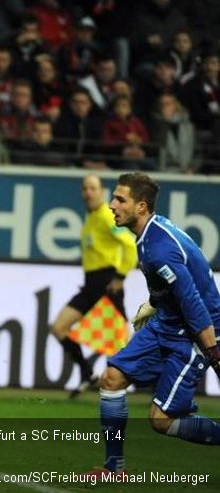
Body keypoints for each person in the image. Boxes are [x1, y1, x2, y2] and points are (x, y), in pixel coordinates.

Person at [87, 173, 220, 478]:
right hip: (168, 323)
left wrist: (212, 351)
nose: (112, 205)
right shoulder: (150, 234)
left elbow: (192, 301)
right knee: (111, 379)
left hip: (193, 332)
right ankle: (114, 468)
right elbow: (178, 287)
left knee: (160, 420)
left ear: (141, 206)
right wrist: (156, 303)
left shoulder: (159, 247)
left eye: (120, 199)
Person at [50, 175, 137, 398]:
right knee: (59, 327)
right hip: (91, 286)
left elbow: (129, 245)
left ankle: (155, 386)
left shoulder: (107, 216)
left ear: (102, 192)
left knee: (122, 343)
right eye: (85, 188)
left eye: (93, 188)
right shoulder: (91, 218)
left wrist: (120, 276)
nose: (88, 192)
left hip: (108, 284)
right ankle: (88, 374)